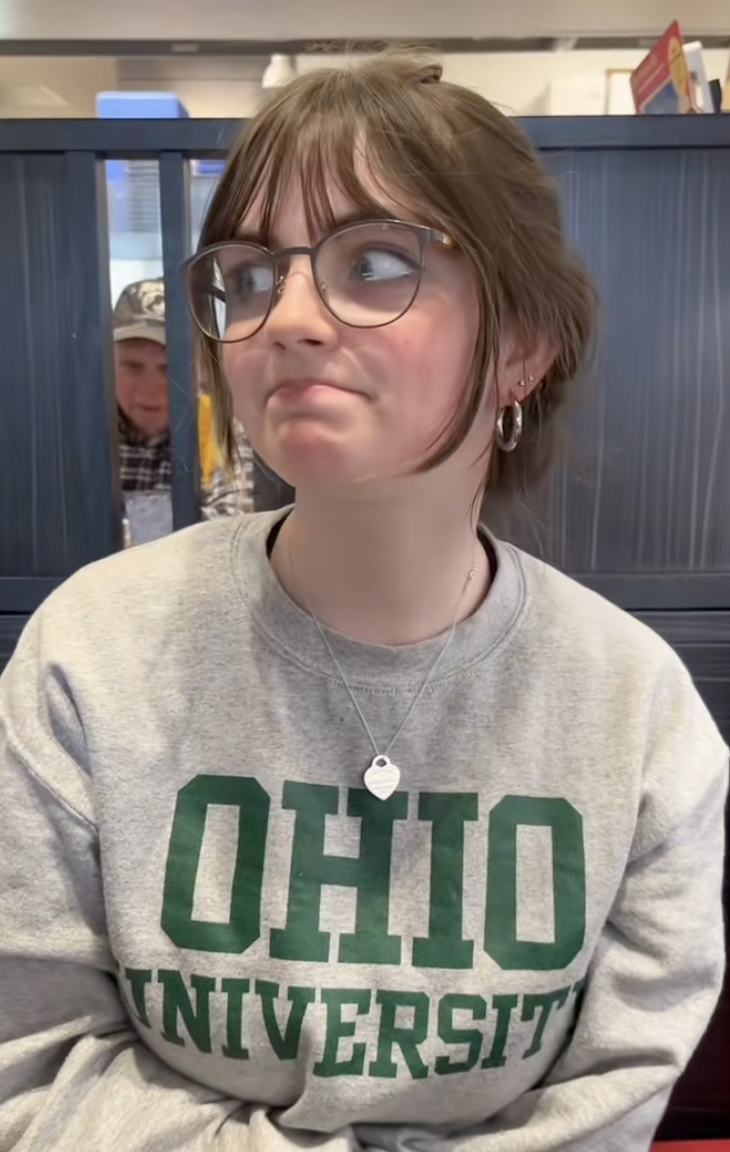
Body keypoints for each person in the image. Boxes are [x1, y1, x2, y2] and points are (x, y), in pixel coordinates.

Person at [0, 50, 727, 1152]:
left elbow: (606, 1105)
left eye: (377, 261)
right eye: (247, 276)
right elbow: (39, 1069)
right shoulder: (89, 656)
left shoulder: (637, 713)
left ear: (521, 344)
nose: (284, 315)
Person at [113, 278, 254, 531]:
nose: (150, 386)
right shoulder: (84, 430)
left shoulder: (218, 428)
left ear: (200, 370)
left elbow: (226, 535)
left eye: (169, 369)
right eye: (133, 367)